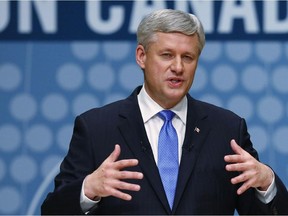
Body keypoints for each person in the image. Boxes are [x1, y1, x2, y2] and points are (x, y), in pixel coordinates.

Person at [41, 9, 288, 215]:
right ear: (141, 56)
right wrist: (88, 190)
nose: (178, 67)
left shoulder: (227, 129)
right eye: (167, 55)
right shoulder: (96, 128)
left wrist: (267, 184)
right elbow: (52, 211)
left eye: (188, 57)